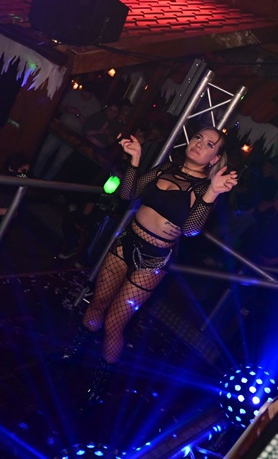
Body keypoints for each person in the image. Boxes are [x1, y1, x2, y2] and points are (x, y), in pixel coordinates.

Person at [62, 127, 238, 406]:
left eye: (209, 144)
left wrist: (213, 192)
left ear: (215, 158)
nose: (199, 144)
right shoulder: (167, 168)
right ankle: (74, 350)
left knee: (115, 322)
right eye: (198, 138)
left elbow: (191, 230)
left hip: (154, 259)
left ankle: (100, 382)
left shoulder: (206, 188)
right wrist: (135, 160)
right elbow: (128, 194)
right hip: (126, 243)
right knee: (97, 303)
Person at [34, 83, 102, 180]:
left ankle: (46, 182)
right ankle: (34, 177)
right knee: (44, 153)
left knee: (59, 162)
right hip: (59, 129)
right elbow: (60, 107)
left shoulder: (96, 106)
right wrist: (66, 109)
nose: (83, 96)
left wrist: (78, 114)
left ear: (91, 94)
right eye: (82, 93)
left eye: (86, 95)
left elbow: (90, 127)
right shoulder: (73, 94)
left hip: (75, 137)